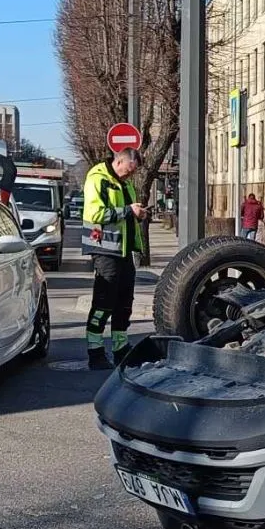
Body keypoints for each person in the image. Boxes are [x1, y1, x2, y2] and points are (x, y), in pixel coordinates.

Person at [80, 149, 147, 369]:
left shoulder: (124, 184)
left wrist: (138, 214)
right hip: (106, 250)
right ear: (119, 162)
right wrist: (128, 211)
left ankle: (121, 349)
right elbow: (94, 214)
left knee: (124, 303)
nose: (131, 175)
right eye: (129, 170)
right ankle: (95, 352)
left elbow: (128, 216)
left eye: (133, 172)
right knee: (103, 302)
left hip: (124, 251)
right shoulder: (98, 179)